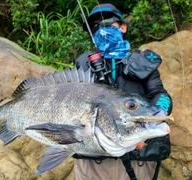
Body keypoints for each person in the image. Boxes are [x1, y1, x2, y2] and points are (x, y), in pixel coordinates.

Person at [73, 3, 172, 180]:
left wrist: (155, 118)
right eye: (95, 26)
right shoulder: (83, 65)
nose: (101, 29)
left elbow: (161, 94)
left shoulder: (143, 62)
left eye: (107, 22)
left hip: (137, 160)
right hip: (92, 162)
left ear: (123, 27)